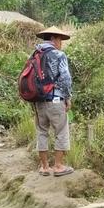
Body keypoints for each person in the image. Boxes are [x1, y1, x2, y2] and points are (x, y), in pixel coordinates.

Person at [32, 26, 74, 177]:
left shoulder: (35, 54)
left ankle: (44, 167)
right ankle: (58, 166)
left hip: (38, 101)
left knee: (42, 131)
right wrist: (68, 97)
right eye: (60, 40)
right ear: (54, 38)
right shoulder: (58, 54)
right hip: (55, 100)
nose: (61, 43)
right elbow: (65, 78)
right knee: (61, 130)